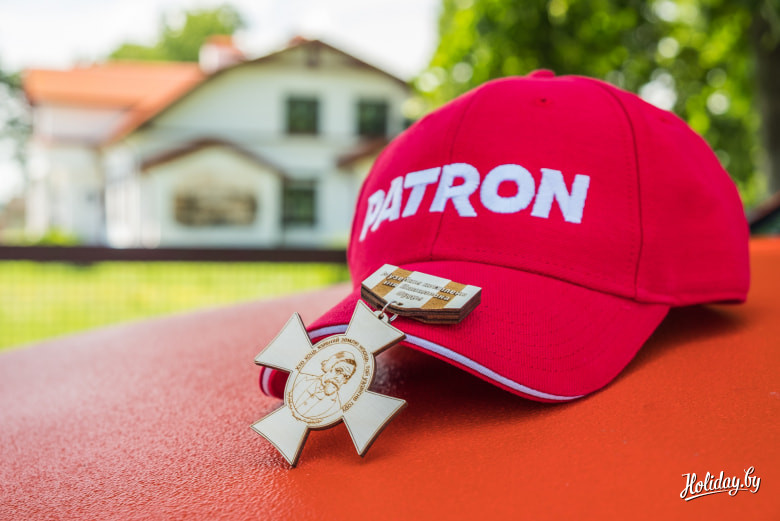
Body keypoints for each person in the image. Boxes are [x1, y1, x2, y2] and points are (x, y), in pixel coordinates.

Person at [292, 351, 357, 421]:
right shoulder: (301, 378)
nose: (339, 379)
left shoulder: (336, 407)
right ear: (329, 367)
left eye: (346, 376)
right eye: (338, 371)